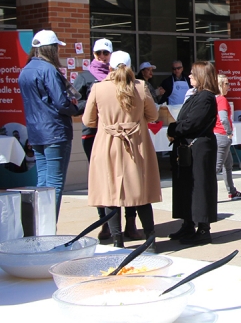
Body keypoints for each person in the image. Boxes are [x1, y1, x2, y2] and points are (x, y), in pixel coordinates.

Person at [82, 51, 162, 250]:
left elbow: (88, 121)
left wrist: (108, 122)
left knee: (111, 195)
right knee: (141, 193)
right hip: (136, 145)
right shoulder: (140, 86)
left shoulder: (98, 88)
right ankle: (150, 242)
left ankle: (118, 243)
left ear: (109, 66)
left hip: (107, 144)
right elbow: (153, 115)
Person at [73, 38, 143, 241]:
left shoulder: (129, 79)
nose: (102, 57)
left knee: (131, 179)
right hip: (95, 134)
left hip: (124, 134)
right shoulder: (86, 77)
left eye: (106, 53)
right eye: (99, 53)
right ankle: (105, 224)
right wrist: (97, 100)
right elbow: (77, 106)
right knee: (103, 181)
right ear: (93, 55)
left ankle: (131, 222)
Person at [18, 30, 79, 220]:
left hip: (36, 132)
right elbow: (61, 103)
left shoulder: (25, 70)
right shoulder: (49, 70)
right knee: (54, 183)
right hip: (55, 131)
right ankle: (49, 228)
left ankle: (39, 227)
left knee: (43, 182)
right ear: (50, 49)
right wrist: (78, 108)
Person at [166, 61, 218, 245]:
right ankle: (187, 223)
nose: (189, 77)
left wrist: (173, 129)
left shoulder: (206, 97)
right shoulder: (196, 95)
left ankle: (203, 228)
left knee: (200, 186)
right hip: (188, 147)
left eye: (193, 74)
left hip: (199, 148)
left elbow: (193, 122)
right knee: (186, 185)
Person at [215, 74, 241, 200]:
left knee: (228, 164)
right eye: (226, 84)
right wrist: (228, 132)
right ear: (220, 85)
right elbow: (223, 118)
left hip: (218, 134)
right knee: (217, 167)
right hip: (222, 135)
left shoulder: (214, 99)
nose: (229, 86)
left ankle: (231, 191)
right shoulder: (221, 99)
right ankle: (206, 194)